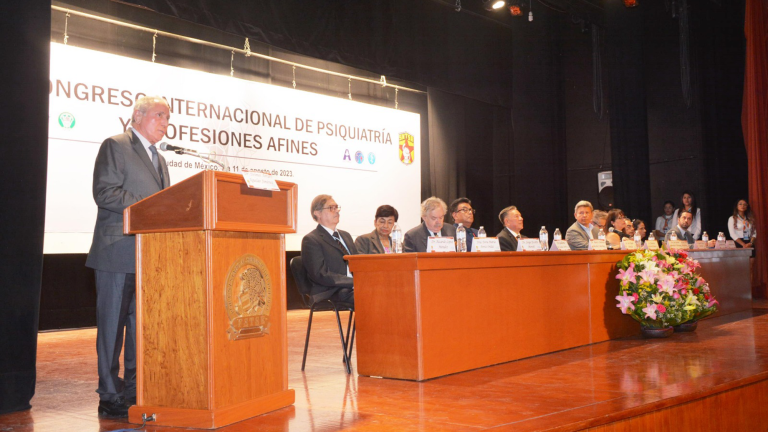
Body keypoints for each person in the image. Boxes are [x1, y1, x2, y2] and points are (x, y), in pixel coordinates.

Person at [85, 96, 172, 418]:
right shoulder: (116, 145)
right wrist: (154, 202)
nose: (165, 122)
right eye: (159, 115)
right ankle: (109, 394)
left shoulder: (160, 160)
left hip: (148, 254)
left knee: (139, 328)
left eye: (168, 117)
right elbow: (105, 192)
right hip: (116, 250)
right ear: (138, 115)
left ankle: (135, 390)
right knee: (112, 326)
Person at [301, 195, 357, 305]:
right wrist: (353, 282)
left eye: (337, 208)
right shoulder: (311, 240)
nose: (337, 211)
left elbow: (357, 263)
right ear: (317, 213)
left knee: (382, 292)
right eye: (331, 208)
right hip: (331, 291)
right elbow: (320, 274)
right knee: (370, 296)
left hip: (353, 288)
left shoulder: (346, 236)